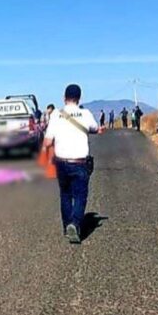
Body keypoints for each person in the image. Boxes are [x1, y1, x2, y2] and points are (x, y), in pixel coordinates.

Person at [42, 84, 99, 244]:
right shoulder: (85, 113)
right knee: (80, 195)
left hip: (61, 162)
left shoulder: (55, 115)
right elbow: (95, 128)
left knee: (65, 195)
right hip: (80, 162)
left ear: (64, 98)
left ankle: (67, 226)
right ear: (79, 98)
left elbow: (47, 142)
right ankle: (74, 223)